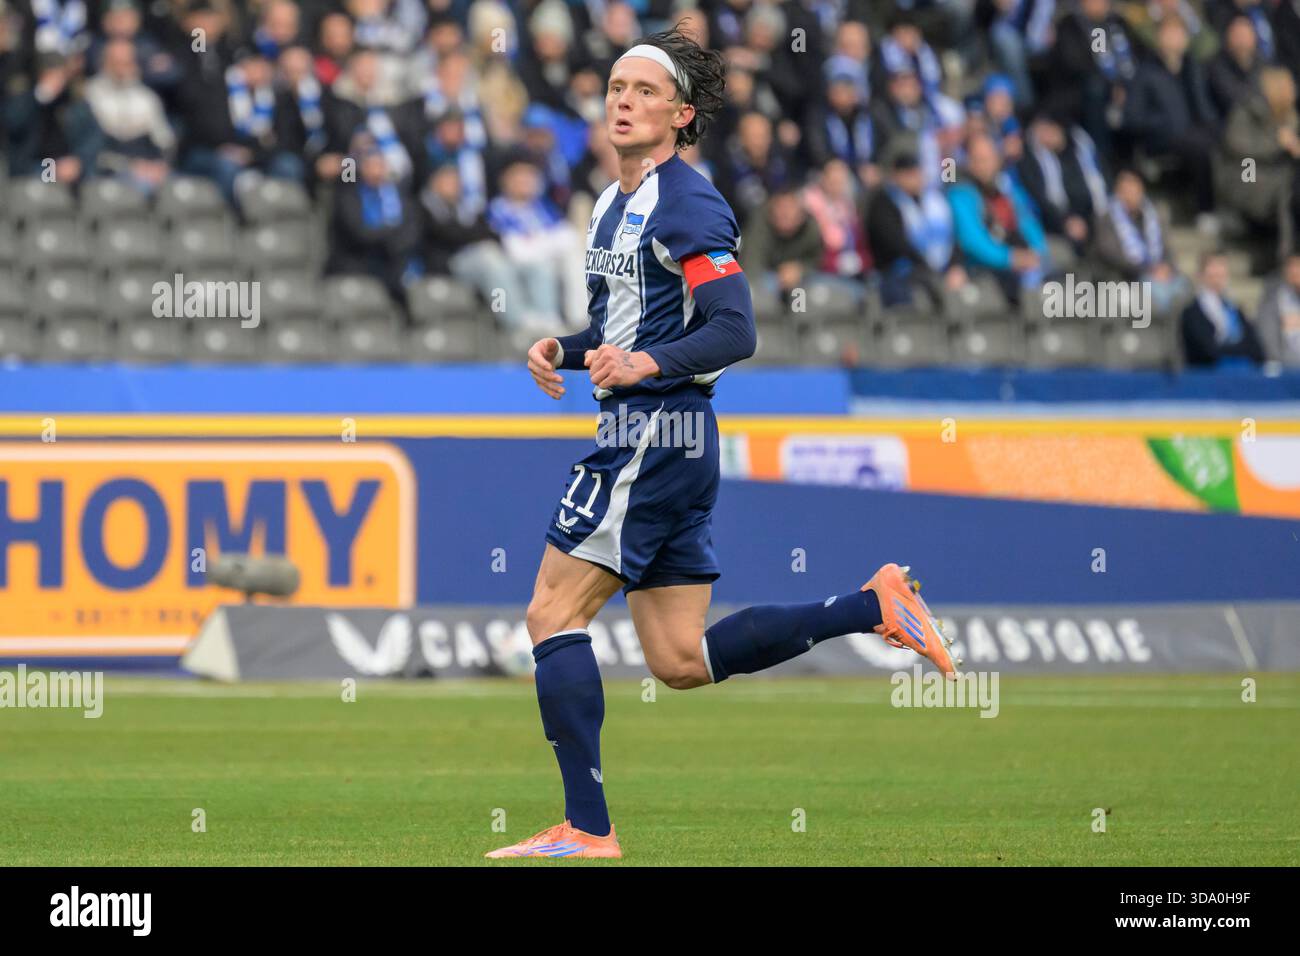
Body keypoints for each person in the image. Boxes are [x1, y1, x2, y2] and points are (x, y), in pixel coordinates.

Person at [487, 27, 957, 862]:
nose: (622, 101)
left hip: (652, 437)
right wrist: (565, 346)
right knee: (677, 658)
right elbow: (622, 323)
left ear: (681, 114)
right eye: (615, 88)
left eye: (642, 90)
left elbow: (735, 329)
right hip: (667, 434)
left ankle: (588, 831)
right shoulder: (609, 202)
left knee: (550, 612)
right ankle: (873, 604)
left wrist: (647, 365)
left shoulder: (689, 202)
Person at [1180, 250, 1266, 366]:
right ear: (1201, 274)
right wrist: (1240, 349)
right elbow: (1208, 350)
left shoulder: (1235, 310)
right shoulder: (1192, 313)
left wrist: (1230, 349)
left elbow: (1256, 349)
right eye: (1213, 270)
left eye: (1221, 270)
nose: (1218, 275)